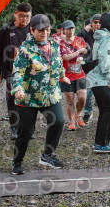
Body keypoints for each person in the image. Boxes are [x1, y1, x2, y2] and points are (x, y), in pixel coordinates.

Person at [11, 14, 70, 175]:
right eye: (40, 30)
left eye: (47, 29)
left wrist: (63, 75)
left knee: (58, 122)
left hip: (50, 94)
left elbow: (57, 63)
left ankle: (47, 156)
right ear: (32, 30)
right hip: (28, 97)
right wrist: (18, 89)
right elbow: (17, 71)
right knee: (25, 132)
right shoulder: (25, 49)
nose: (44, 33)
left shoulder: (54, 45)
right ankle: (17, 161)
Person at [0, 2, 32, 140]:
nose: (24, 19)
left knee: (29, 98)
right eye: (22, 16)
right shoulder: (5, 30)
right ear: (15, 14)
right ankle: (14, 127)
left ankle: (27, 127)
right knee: (12, 98)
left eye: (27, 16)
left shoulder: (32, 29)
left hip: (30, 71)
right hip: (11, 70)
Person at [87, 12, 110, 153]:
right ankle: (101, 144)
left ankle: (100, 143)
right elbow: (104, 61)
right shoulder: (106, 37)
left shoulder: (101, 35)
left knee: (104, 110)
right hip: (100, 78)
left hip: (95, 77)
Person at [58, 20, 88, 131]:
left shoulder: (80, 40)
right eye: (68, 29)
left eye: (72, 28)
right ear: (64, 30)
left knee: (82, 98)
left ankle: (78, 114)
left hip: (80, 74)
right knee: (70, 100)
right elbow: (65, 57)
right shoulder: (61, 43)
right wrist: (78, 52)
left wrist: (81, 57)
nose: (70, 31)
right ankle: (71, 122)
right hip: (66, 76)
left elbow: (85, 51)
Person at [77, 14, 100, 123]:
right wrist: (85, 31)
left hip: (100, 66)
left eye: (99, 22)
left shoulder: (104, 34)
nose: (98, 25)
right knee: (88, 90)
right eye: (95, 22)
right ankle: (87, 112)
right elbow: (77, 40)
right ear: (91, 24)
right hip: (88, 66)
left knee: (101, 91)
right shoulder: (87, 34)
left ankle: (105, 112)